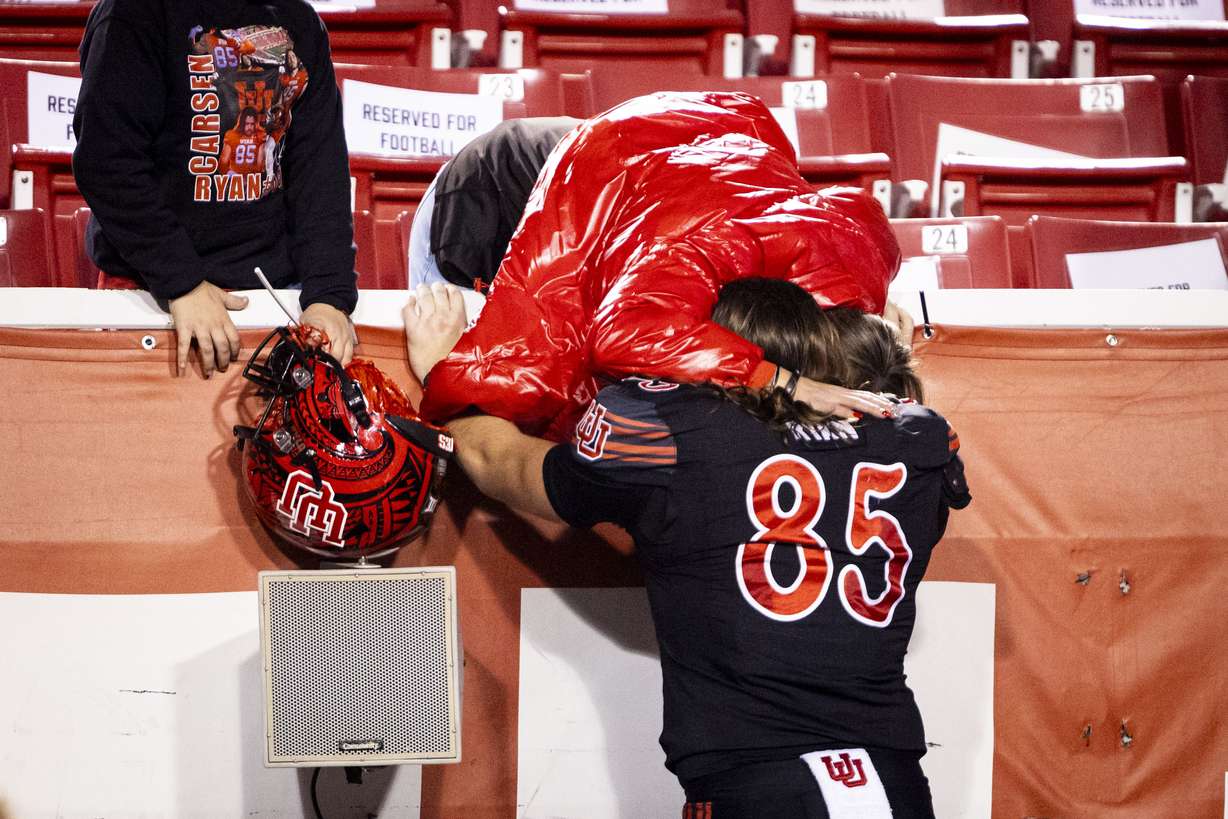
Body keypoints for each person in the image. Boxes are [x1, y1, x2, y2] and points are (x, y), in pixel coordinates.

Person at [403, 278, 970, 818]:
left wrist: (445, 379)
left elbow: (499, 463)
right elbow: (865, 418)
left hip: (759, 785)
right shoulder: (918, 438)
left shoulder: (679, 434)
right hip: (891, 779)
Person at [410, 92, 909, 441]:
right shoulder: (692, 250)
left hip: (646, 165)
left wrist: (868, 320)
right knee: (521, 393)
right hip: (495, 196)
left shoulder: (864, 252)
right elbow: (607, 349)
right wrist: (444, 369)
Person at [73, 0, 358, 379]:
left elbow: (320, 172)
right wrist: (183, 284)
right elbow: (107, 164)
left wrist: (328, 297)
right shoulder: (133, 13)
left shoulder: (300, 21)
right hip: (152, 291)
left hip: (273, 293)